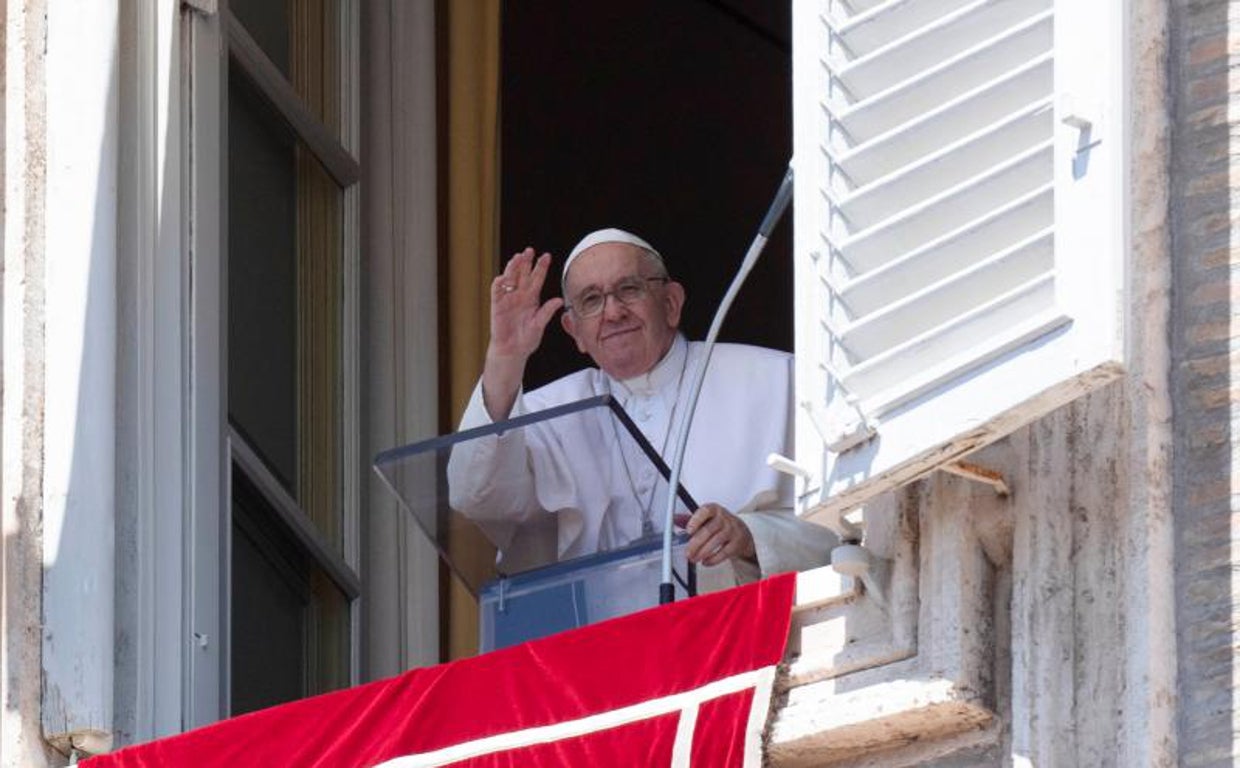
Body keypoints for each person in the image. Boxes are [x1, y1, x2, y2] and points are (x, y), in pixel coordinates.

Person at [448, 228, 834, 583]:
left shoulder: (776, 379)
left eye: (628, 289)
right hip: (604, 648)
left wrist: (752, 536)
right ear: (574, 331)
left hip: (742, 642)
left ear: (670, 303)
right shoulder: (550, 411)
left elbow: (847, 528)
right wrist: (505, 356)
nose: (613, 312)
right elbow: (474, 495)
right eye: (591, 300)